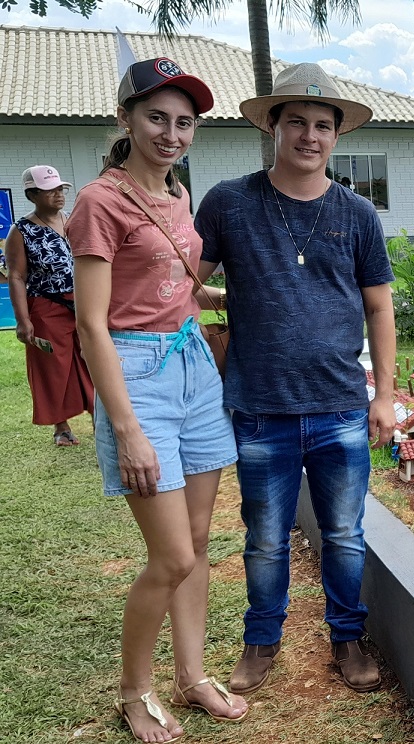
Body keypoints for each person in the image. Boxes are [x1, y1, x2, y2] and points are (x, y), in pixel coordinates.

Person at [193, 63, 396, 695]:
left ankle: (347, 638)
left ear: (337, 136)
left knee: (343, 533)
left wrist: (385, 395)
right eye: (297, 123)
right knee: (265, 538)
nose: (310, 136)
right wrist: (232, 303)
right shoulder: (229, 202)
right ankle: (261, 642)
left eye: (323, 126)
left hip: (340, 404)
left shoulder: (358, 214)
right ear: (273, 127)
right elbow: (185, 283)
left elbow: (380, 306)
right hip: (260, 406)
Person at [67, 57, 247, 743]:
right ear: (126, 119)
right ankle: (134, 692)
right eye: (157, 118)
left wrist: (222, 299)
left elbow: (171, 284)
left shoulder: (177, 196)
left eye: (185, 122)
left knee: (199, 542)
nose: (172, 133)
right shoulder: (99, 201)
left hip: (195, 365)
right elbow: (92, 322)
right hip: (137, 374)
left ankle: (193, 677)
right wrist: (127, 427)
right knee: (170, 555)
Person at [4, 165, 95, 446]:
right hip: (46, 306)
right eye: (50, 190)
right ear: (32, 194)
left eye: (60, 189)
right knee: (53, 366)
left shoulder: (73, 221)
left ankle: (100, 418)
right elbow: (17, 277)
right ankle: (61, 426)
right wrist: (23, 320)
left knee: (92, 359)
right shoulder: (20, 231)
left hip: (82, 303)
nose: (58, 194)